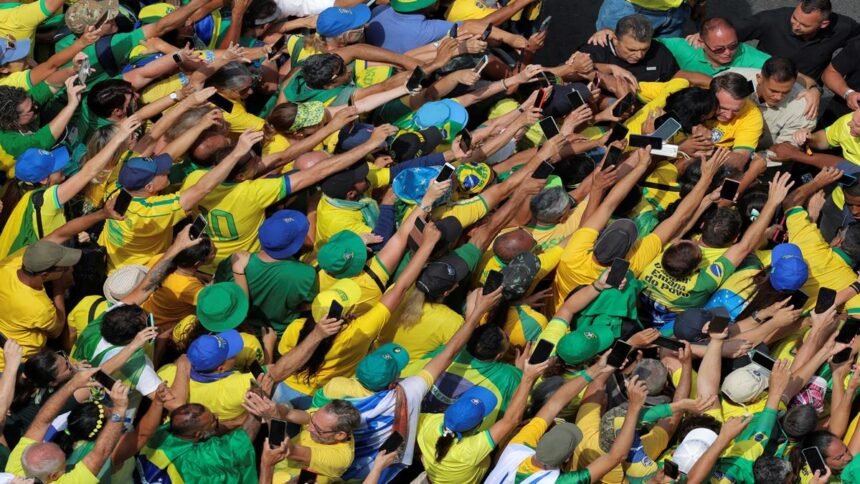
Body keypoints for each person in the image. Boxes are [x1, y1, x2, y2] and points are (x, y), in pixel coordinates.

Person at [724, 58, 817, 155]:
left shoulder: (803, 107)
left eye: (786, 92)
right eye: (773, 91)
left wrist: (754, 160)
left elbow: (785, 151)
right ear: (759, 78)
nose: (778, 97)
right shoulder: (734, 80)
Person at [582, 14, 679, 83]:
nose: (639, 55)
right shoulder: (596, 49)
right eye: (632, 50)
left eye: (645, 49)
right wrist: (610, 68)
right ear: (615, 40)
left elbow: (676, 77)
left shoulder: (659, 51)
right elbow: (571, 71)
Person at [658, 18, 771, 77]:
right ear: (701, 43)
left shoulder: (753, 58)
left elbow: (781, 70)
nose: (728, 52)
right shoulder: (685, 49)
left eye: (733, 46)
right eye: (719, 49)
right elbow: (646, 44)